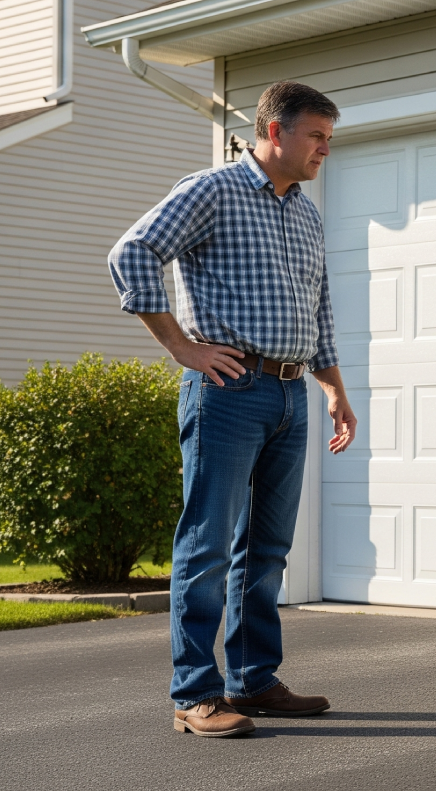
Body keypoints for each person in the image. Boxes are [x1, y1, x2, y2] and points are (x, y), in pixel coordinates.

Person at [109, 81, 358, 738]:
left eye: (329, 138)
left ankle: (254, 680)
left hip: (290, 392)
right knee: (208, 545)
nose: (325, 150)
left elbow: (320, 306)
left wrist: (333, 388)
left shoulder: (305, 212)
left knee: (268, 548)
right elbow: (131, 251)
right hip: (227, 390)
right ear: (274, 132)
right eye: (316, 137)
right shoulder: (211, 190)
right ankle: (195, 695)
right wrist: (181, 347)